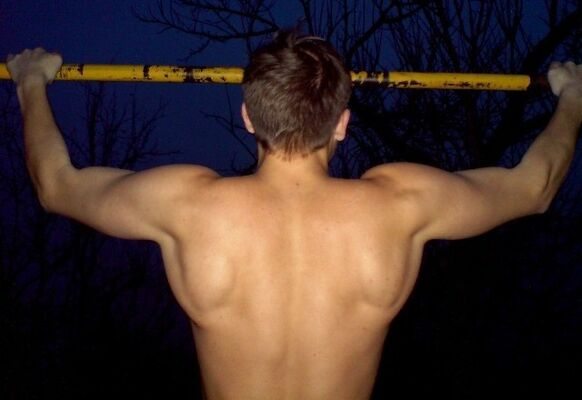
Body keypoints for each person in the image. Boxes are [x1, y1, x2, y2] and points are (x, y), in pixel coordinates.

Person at [6, 31, 582, 400]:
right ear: (341, 124)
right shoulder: (400, 205)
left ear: (247, 118)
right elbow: (534, 187)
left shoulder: (188, 206)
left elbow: (57, 186)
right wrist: (573, 98)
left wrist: (32, 84)